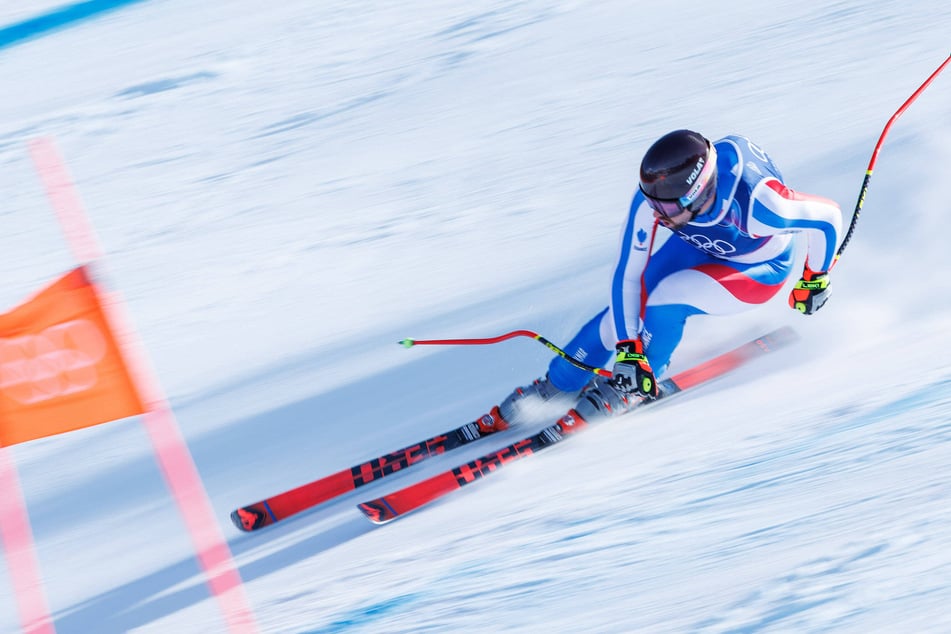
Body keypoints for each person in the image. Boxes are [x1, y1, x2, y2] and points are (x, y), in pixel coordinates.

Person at [479, 129, 843, 431]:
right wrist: (627, 347)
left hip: (757, 267)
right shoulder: (658, 200)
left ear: (698, 193)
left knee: (667, 298)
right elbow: (627, 274)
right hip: (703, 244)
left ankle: (638, 385)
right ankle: (557, 385)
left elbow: (826, 217)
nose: (656, 214)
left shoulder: (761, 206)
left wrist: (814, 278)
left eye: (666, 208)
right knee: (626, 309)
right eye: (653, 203)